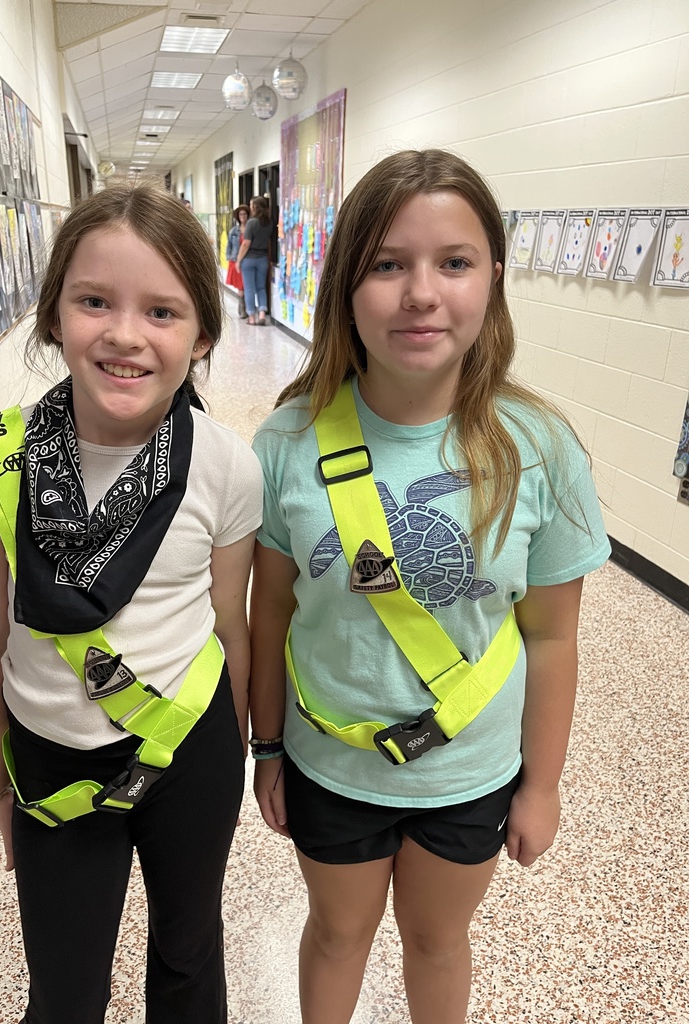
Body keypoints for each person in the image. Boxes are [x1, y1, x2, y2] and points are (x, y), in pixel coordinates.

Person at [249, 149, 610, 1024]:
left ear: (493, 276)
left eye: (453, 262)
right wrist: (266, 749)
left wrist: (543, 783)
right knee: (337, 936)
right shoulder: (289, 441)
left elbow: (553, 635)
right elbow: (268, 618)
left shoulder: (539, 448)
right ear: (345, 283)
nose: (420, 292)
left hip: (473, 768)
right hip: (330, 758)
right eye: (387, 264)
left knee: (439, 941)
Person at [0, 183, 262, 1024]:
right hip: (50, 760)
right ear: (53, 316)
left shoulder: (226, 467)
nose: (125, 334)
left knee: (189, 957)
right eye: (94, 302)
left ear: (201, 335)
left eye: (162, 311)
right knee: (65, 988)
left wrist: (248, 754)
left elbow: (231, 624)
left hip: (189, 749)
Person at [237, 195, 273, 326]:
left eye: (251, 205)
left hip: (249, 260)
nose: (250, 207)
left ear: (255, 207)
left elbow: (246, 243)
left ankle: (251, 317)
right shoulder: (269, 222)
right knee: (261, 287)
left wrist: (238, 260)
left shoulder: (252, 222)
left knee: (249, 289)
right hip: (263, 259)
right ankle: (262, 313)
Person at [226, 204, 250, 318]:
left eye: (245, 214)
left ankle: (243, 309)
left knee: (246, 286)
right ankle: (242, 309)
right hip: (236, 261)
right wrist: (229, 258)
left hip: (248, 261)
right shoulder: (234, 231)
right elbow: (229, 246)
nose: (243, 216)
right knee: (241, 287)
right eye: (241, 214)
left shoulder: (250, 229)